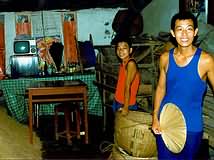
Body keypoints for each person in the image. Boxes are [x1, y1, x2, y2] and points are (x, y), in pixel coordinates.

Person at [152, 11, 214, 159]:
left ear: (196, 32)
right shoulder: (165, 58)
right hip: (165, 123)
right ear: (173, 33)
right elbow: (161, 88)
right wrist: (155, 116)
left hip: (192, 126)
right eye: (180, 29)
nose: (184, 34)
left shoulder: (206, 60)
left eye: (189, 29)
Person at [112, 36, 141, 116]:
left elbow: (127, 86)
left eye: (124, 48)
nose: (121, 51)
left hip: (127, 104)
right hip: (118, 101)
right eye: (118, 48)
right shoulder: (123, 63)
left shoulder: (130, 64)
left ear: (130, 50)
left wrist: (125, 107)